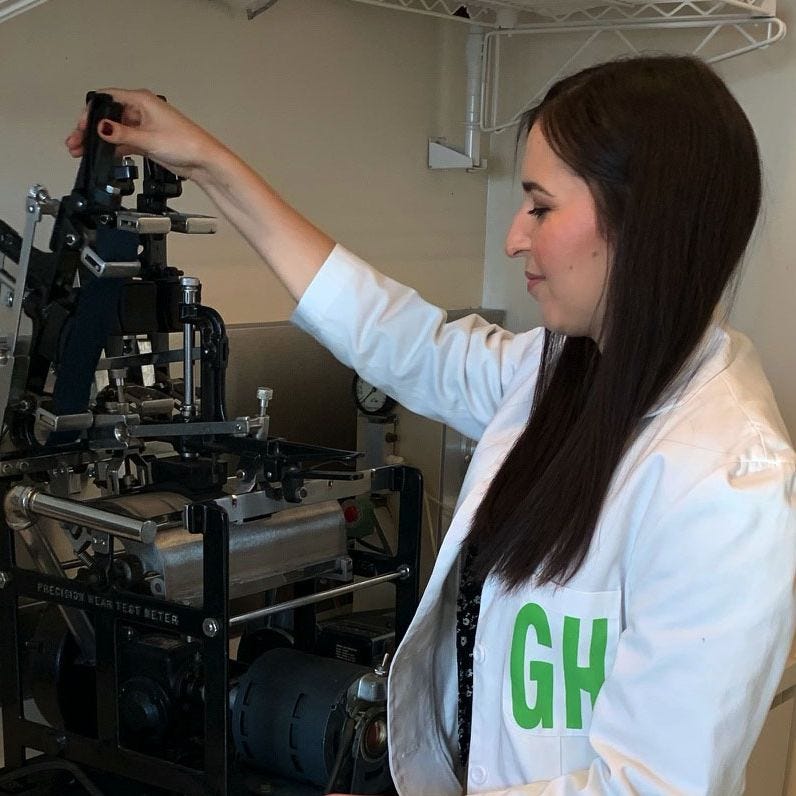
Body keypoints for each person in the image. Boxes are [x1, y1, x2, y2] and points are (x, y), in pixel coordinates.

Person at [66, 54, 795, 795]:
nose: (515, 237)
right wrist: (208, 162)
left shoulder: (728, 487)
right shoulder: (564, 371)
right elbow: (402, 339)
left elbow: (650, 789)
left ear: (644, 221)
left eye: (540, 207)